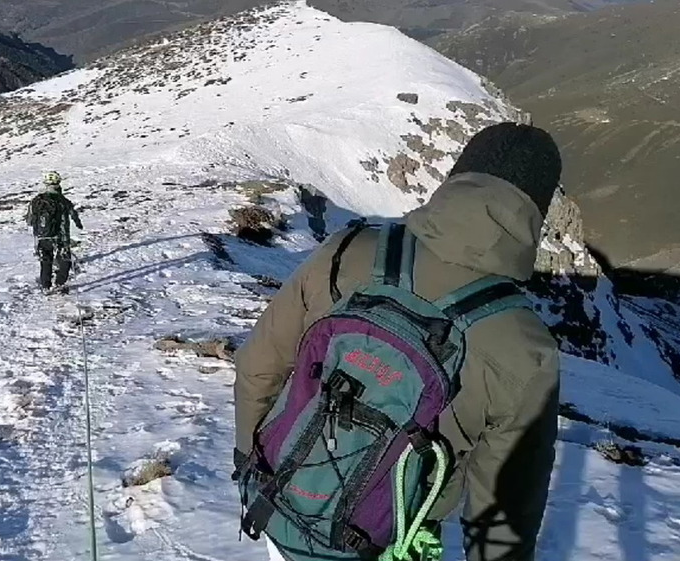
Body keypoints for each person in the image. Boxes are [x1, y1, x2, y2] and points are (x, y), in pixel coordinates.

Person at [233, 122, 562, 561]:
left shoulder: (347, 250)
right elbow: (505, 504)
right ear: (535, 214)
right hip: (386, 538)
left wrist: (250, 464)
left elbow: (259, 364)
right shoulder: (527, 349)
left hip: (282, 504)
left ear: (455, 178)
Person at [25, 171, 84, 293]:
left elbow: (29, 221)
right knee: (64, 260)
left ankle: (45, 286)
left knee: (45, 261)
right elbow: (74, 217)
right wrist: (78, 225)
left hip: (42, 236)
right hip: (60, 237)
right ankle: (60, 284)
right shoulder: (63, 201)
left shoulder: (36, 201)